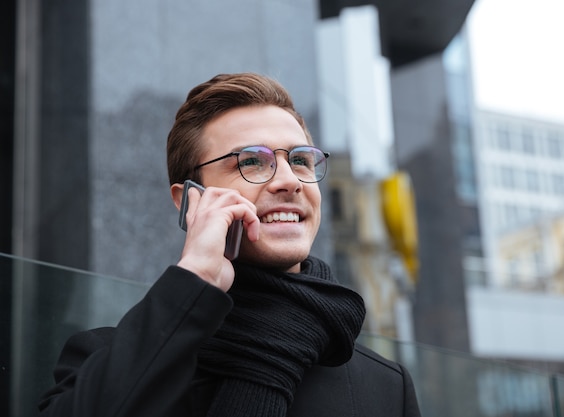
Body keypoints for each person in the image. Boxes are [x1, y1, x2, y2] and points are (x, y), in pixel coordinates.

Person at [38, 73, 421, 417]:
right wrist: (195, 278)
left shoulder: (384, 386)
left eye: (301, 160)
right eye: (252, 161)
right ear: (190, 199)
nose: (289, 181)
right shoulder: (107, 360)